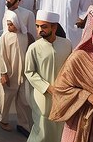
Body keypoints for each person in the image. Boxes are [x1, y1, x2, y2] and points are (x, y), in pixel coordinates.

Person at [49, 4, 93, 140]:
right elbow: (61, 88)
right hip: (86, 121)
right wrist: (90, 97)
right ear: (92, 26)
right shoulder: (79, 57)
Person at [24, 10, 72, 142]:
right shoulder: (33, 48)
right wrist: (47, 87)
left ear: (54, 27)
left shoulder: (66, 44)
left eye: (44, 26)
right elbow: (29, 72)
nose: (39, 30)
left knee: (60, 130)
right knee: (42, 130)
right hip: (42, 96)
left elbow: (71, 68)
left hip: (62, 95)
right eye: (37, 26)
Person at [0, 10, 34, 134]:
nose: (8, 27)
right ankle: (3, 120)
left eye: (10, 24)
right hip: (10, 74)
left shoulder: (25, 36)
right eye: (7, 24)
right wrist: (3, 73)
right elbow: (0, 56)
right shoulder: (5, 37)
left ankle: (22, 124)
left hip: (22, 74)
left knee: (23, 100)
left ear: (17, 23)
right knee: (6, 99)